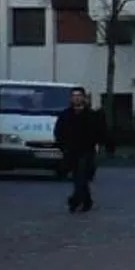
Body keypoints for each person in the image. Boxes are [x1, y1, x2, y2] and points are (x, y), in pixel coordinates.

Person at [53, 87, 108, 215]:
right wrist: (62, 146)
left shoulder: (92, 115)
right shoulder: (65, 115)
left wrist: (101, 146)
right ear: (71, 98)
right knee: (77, 177)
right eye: (74, 95)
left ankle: (75, 200)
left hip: (87, 150)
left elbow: (101, 132)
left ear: (84, 97)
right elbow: (58, 132)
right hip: (70, 150)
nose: (76, 98)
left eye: (79, 95)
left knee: (81, 175)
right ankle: (86, 200)